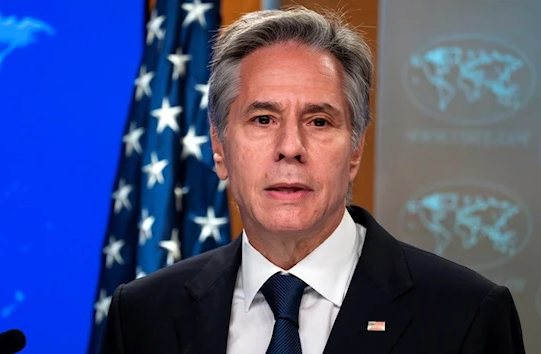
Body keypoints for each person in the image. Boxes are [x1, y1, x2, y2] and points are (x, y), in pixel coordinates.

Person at [101, 7, 525, 354]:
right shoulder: (143, 314)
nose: (290, 147)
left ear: (355, 148)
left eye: (319, 121)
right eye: (263, 119)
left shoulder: (467, 313)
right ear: (219, 147)